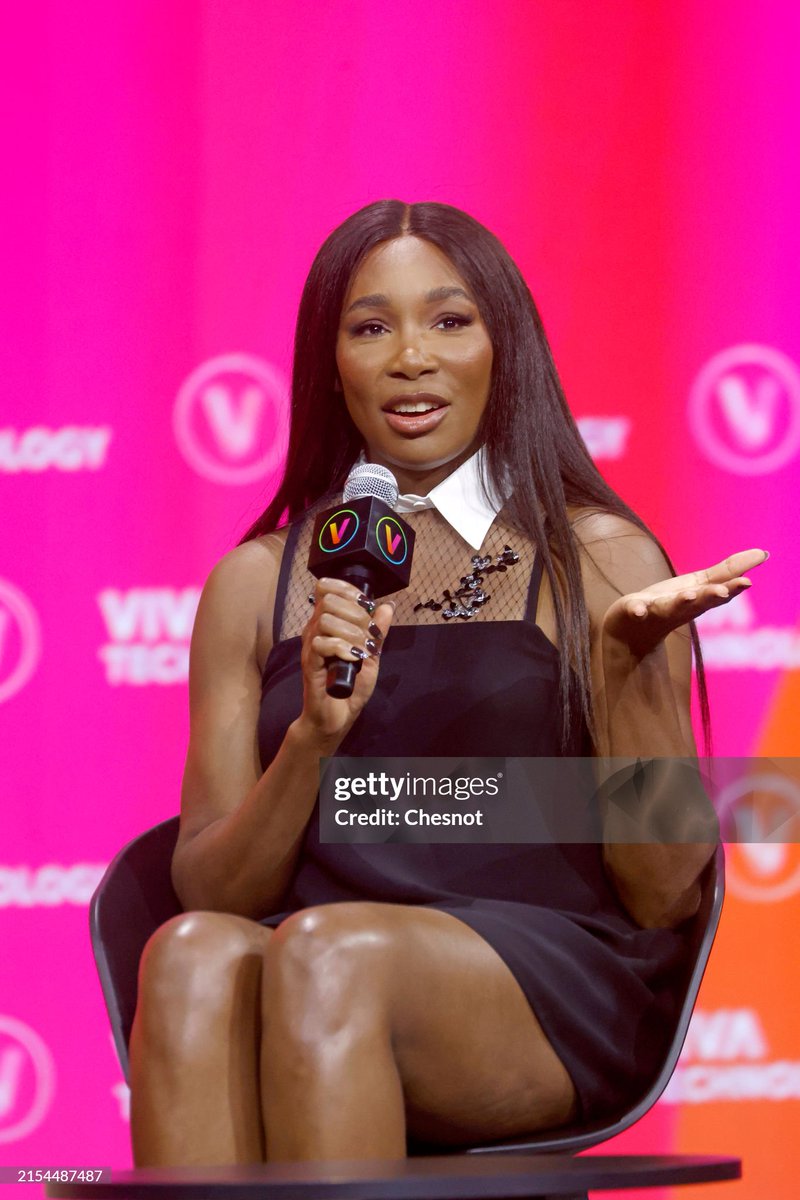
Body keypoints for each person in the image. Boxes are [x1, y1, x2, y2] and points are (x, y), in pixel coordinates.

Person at [128, 200, 766, 1166]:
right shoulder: (259, 582)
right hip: (310, 952)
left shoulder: (596, 555)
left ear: (503, 348)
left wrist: (623, 669)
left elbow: (666, 891)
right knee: (188, 958)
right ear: (329, 364)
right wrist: (310, 739)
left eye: (449, 320)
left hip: (541, 975)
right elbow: (209, 888)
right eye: (371, 327)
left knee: (330, 954)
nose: (409, 357)